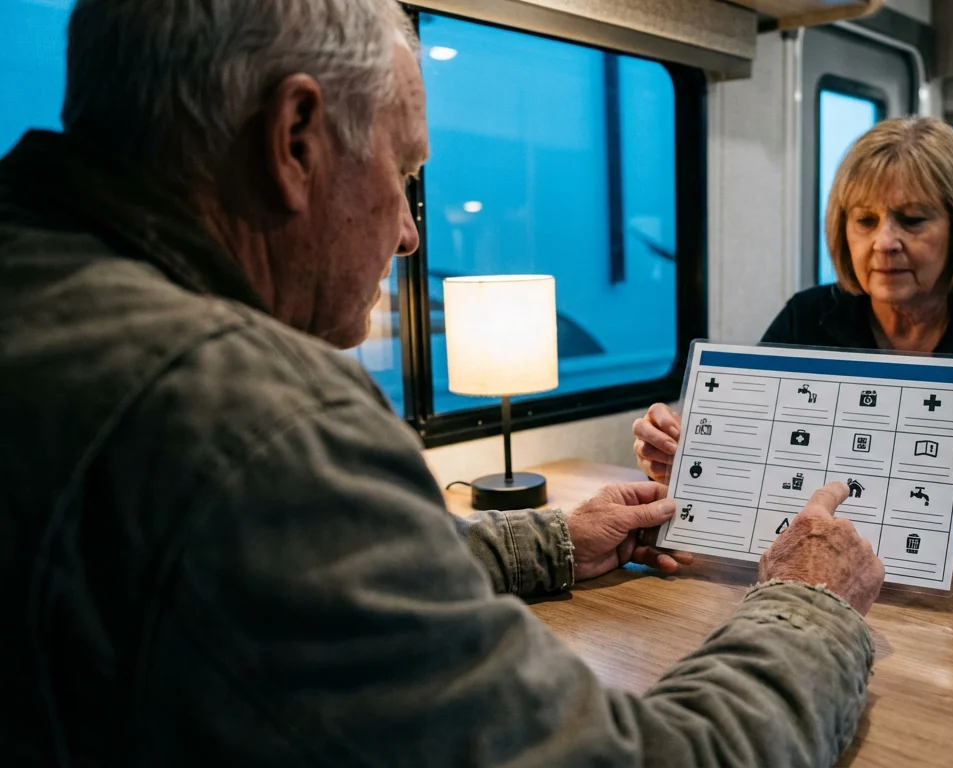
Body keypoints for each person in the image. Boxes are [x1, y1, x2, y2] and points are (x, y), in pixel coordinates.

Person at [0, 0, 886, 763]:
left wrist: (549, 544)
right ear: (294, 140)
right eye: (405, 175)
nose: (409, 238)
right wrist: (806, 604)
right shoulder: (254, 422)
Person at [635, 117, 953, 558]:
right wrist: (690, 456)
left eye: (913, 219)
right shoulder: (807, 316)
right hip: (816, 568)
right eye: (865, 220)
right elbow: (751, 458)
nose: (884, 241)